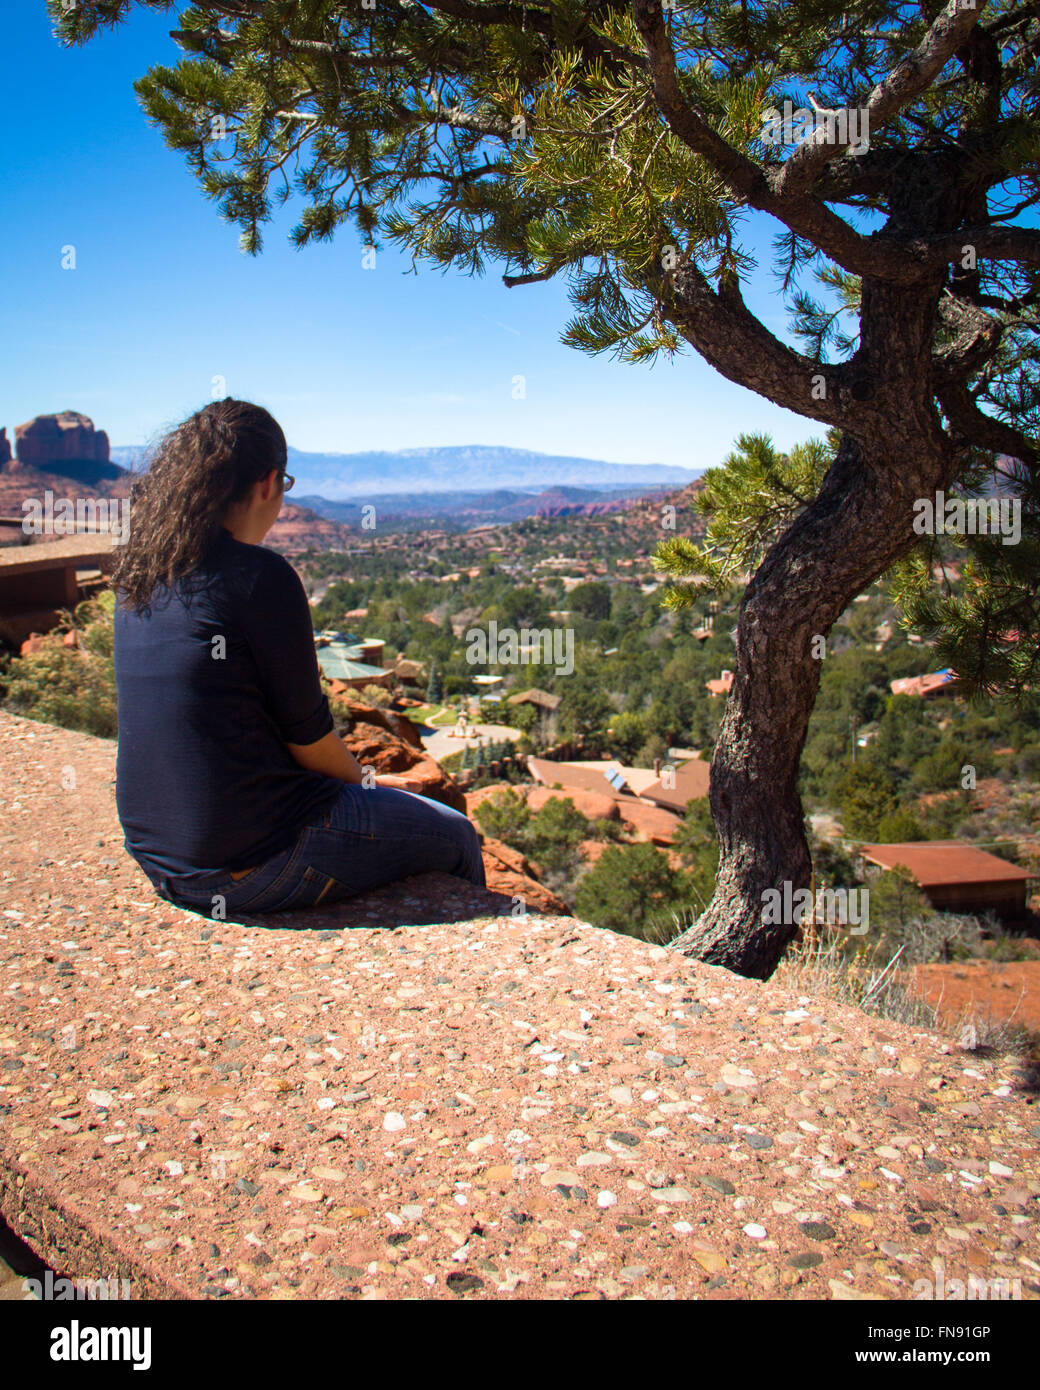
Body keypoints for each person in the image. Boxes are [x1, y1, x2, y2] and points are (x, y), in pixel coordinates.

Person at [110, 398, 486, 917]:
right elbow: (308, 741)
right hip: (247, 865)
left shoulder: (141, 574)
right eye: (284, 487)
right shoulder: (259, 576)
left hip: (158, 858)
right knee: (456, 833)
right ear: (268, 482)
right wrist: (373, 791)